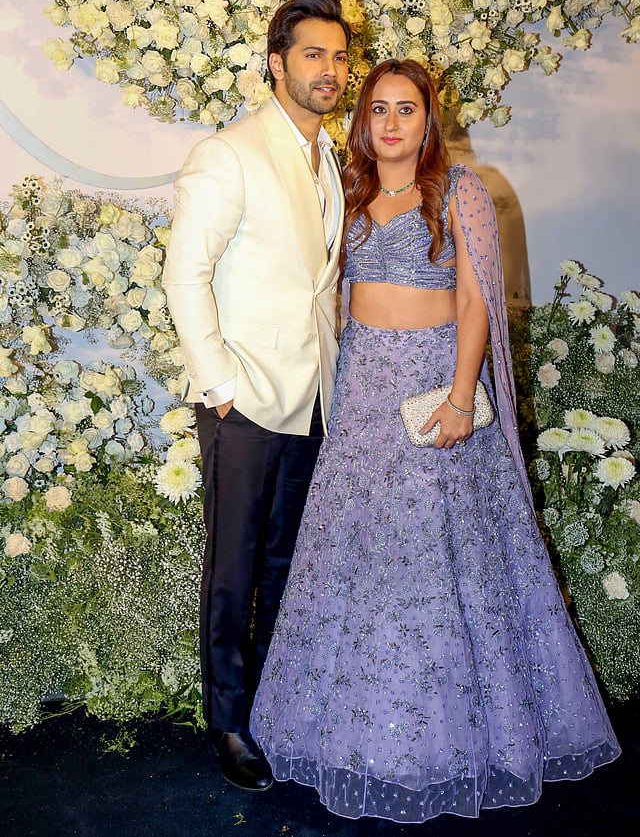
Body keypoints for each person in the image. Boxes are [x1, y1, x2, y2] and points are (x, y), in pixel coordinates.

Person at [250, 59, 620, 821]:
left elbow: (477, 298)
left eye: (407, 109)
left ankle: (457, 742)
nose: (391, 123)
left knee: (440, 563)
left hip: (433, 396)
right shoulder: (347, 190)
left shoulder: (460, 191)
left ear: (430, 118)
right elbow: (338, 301)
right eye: (379, 109)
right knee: (365, 561)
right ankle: (357, 738)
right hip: (363, 395)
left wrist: (460, 397)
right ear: (364, 121)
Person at [162, 0, 351, 792]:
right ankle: (230, 721)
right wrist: (220, 386)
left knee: (286, 561)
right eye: (313, 55)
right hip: (244, 398)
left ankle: (272, 703)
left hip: (312, 396)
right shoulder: (229, 151)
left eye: (340, 57)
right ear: (276, 64)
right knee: (233, 566)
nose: (330, 71)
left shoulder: (329, 156)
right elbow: (184, 273)